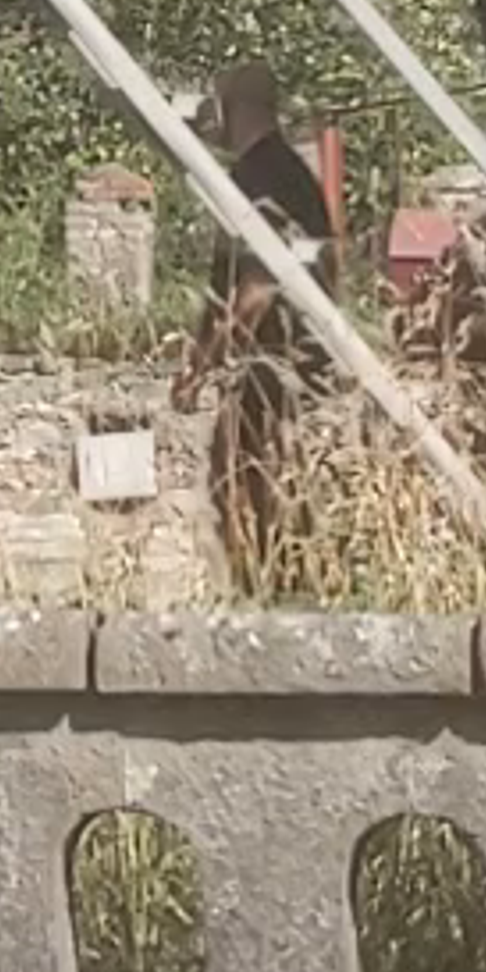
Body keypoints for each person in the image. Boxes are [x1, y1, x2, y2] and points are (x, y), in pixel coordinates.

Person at [178, 60, 340, 585]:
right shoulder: (292, 173)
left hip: (270, 367)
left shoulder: (258, 178)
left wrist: (202, 366)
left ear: (231, 109)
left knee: (248, 484)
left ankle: (268, 590)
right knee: (262, 482)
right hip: (290, 362)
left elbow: (256, 288)